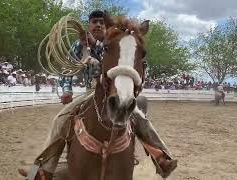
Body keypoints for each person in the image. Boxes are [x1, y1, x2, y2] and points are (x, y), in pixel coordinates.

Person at [21, 10, 177, 179]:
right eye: (94, 21)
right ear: (89, 24)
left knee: (140, 118)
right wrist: (67, 90)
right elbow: (67, 70)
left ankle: (160, 156)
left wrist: (95, 44)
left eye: (101, 22)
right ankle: (45, 169)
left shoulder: (111, 40)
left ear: (106, 26)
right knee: (60, 119)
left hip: (113, 89)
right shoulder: (77, 46)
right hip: (90, 92)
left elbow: (117, 51)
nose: (98, 25)